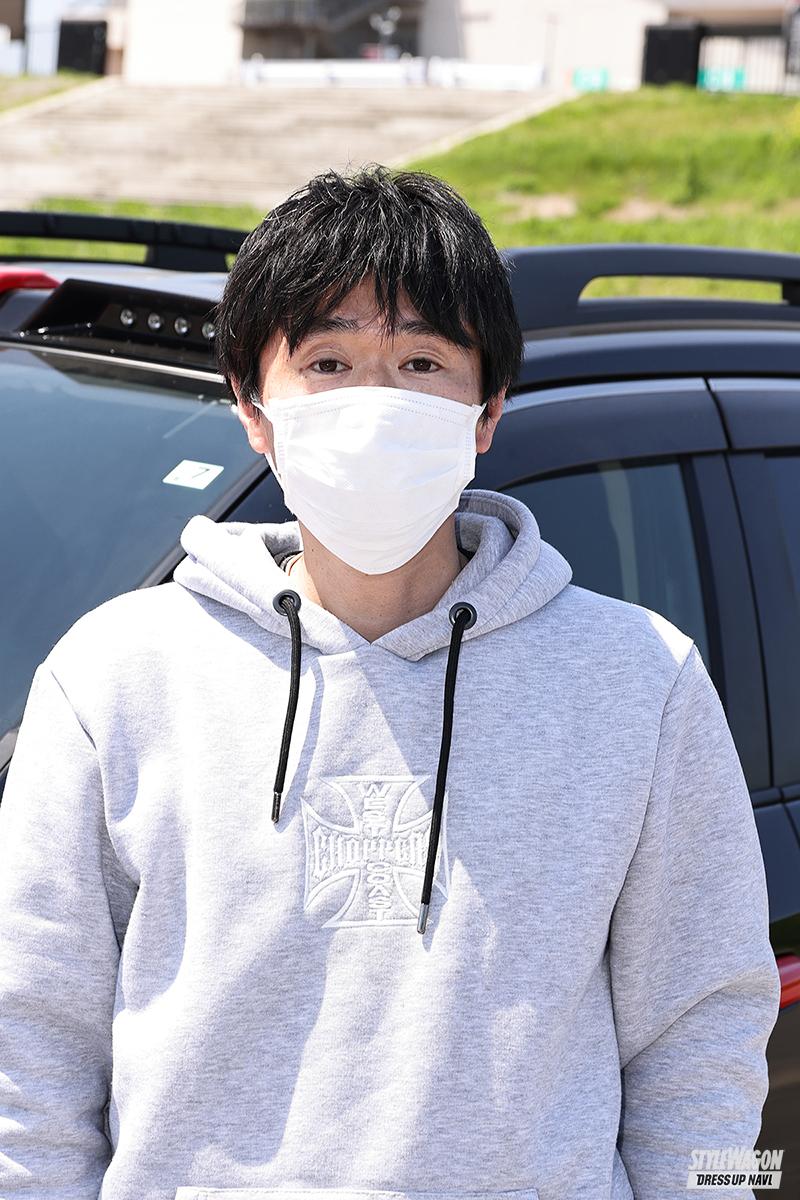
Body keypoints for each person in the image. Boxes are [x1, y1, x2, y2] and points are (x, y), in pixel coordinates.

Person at [0, 164, 780, 1200]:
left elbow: (705, 1032)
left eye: (421, 361)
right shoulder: (115, 677)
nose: (374, 403)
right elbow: (28, 1049)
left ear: (487, 412)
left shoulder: (641, 680)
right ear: (252, 407)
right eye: (328, 362)